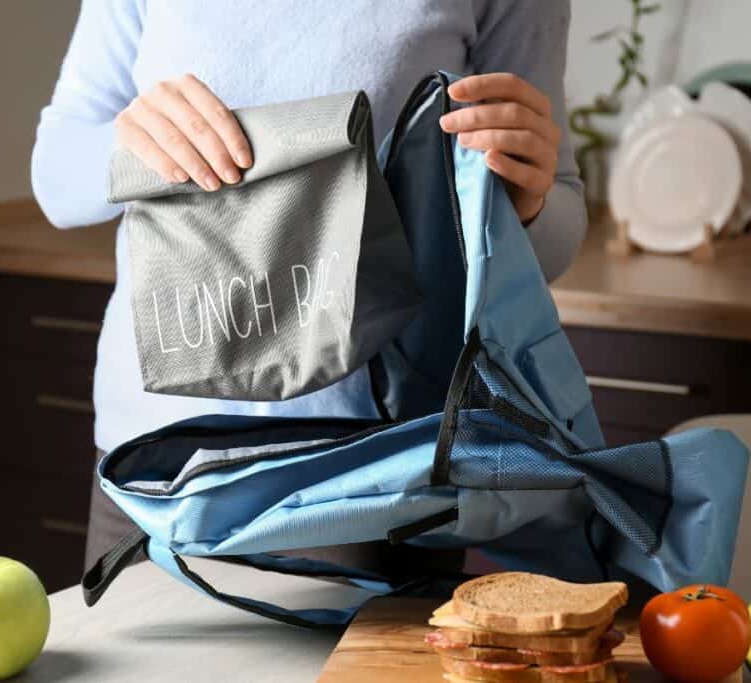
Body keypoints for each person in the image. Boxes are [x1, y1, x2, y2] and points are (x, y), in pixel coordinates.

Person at [31, 0, 587, 576]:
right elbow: (55, 179)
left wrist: (524, 207)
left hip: (366, 471)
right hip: (150, 463)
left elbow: (558, 229)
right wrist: (128, 143)